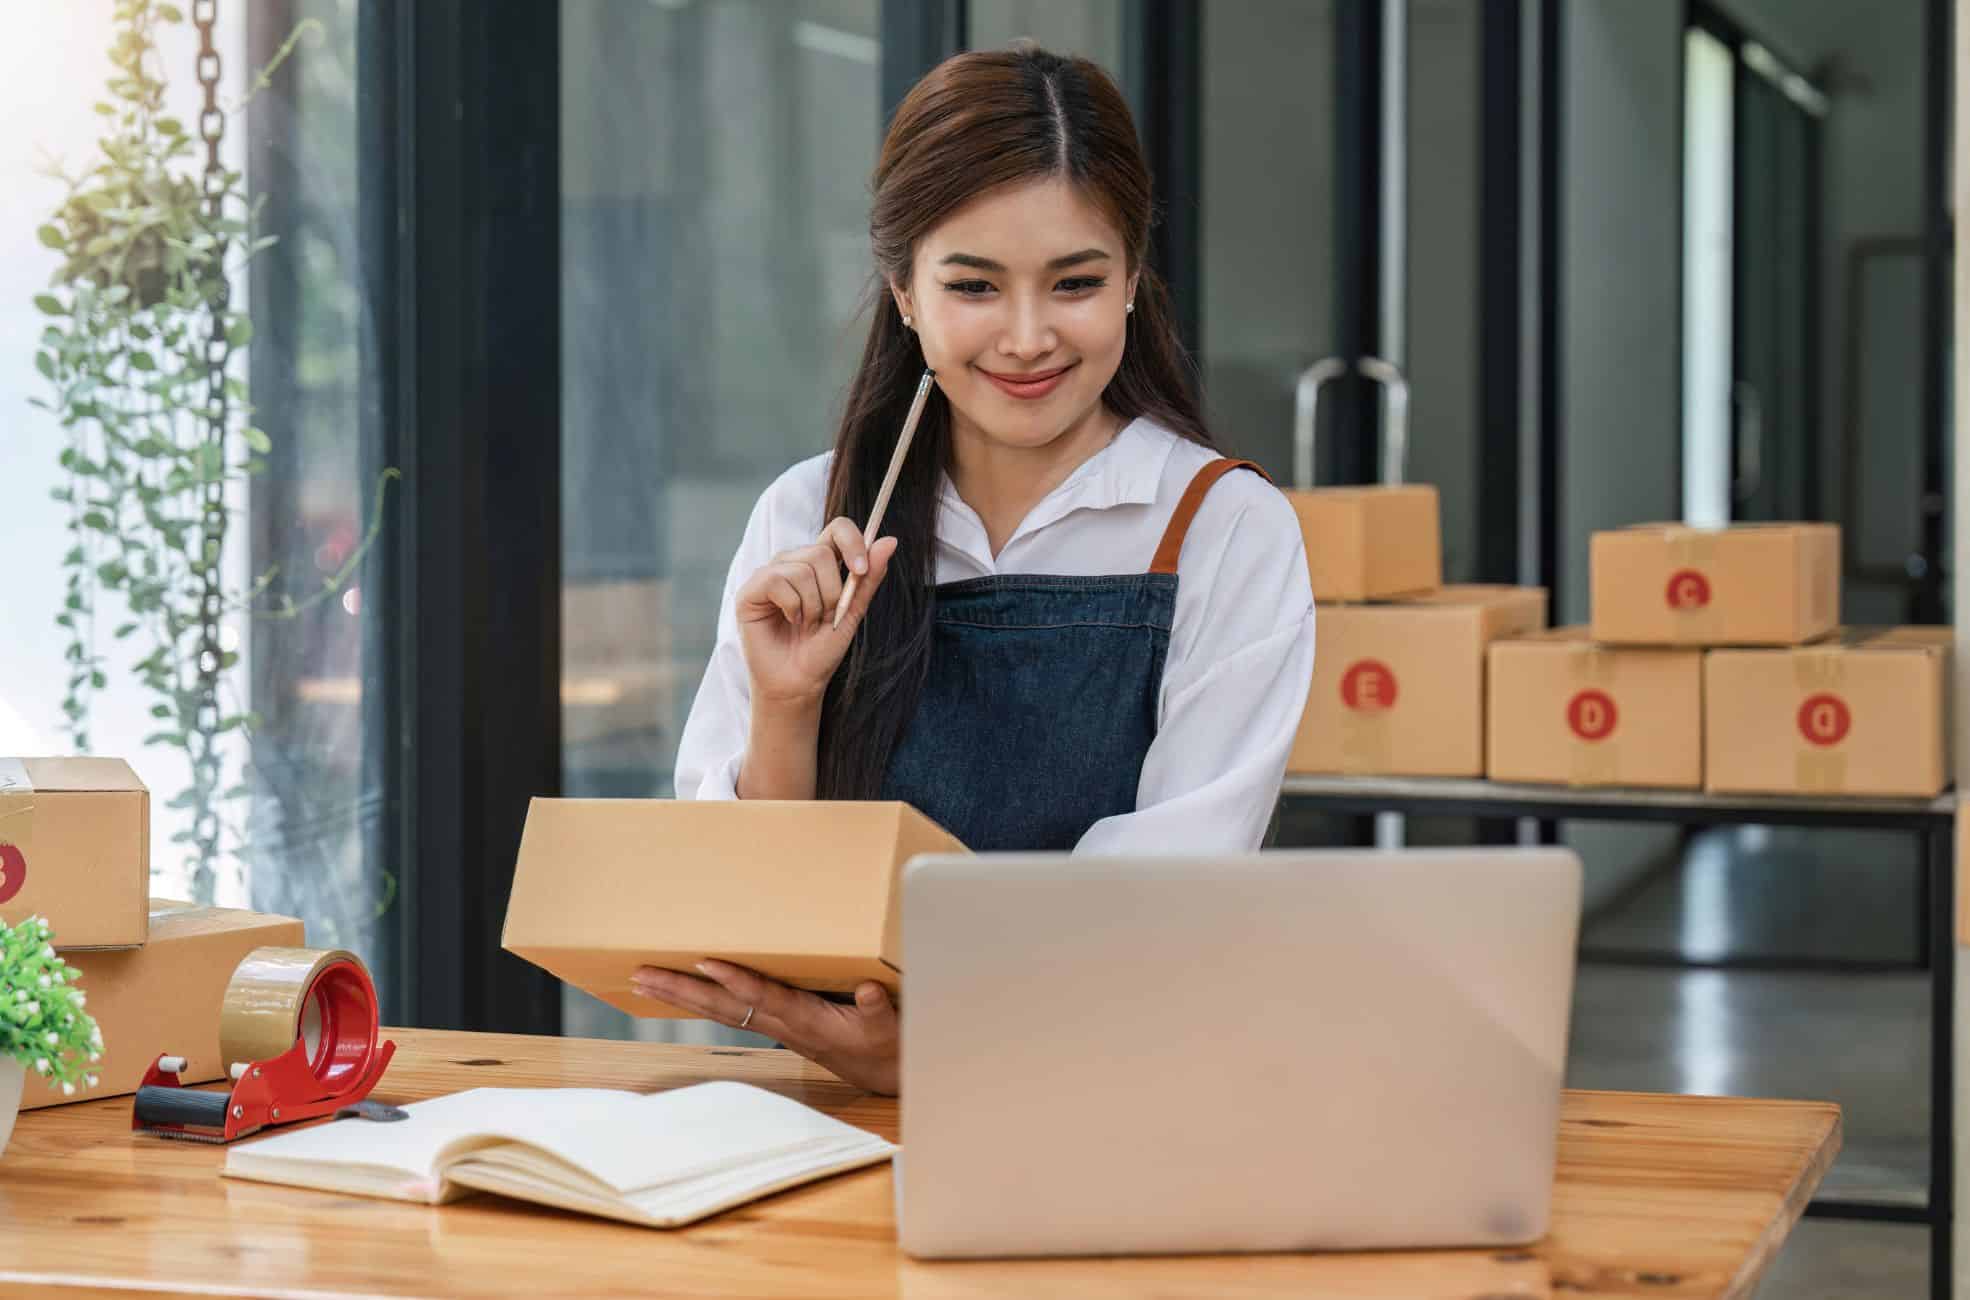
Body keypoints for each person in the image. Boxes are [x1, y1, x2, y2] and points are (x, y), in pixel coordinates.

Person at [632, 45, 1316, 1094]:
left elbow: (1173, 888)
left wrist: (948, 1044)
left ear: (1133, 279)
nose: (1028, 337)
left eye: (1074, 282)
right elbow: (743, 901)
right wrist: (785, 701)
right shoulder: (806, 516)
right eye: (974, 286)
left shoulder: (1224, 526)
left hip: (1119, 1098)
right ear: (904, 292)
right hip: (833, 1114)